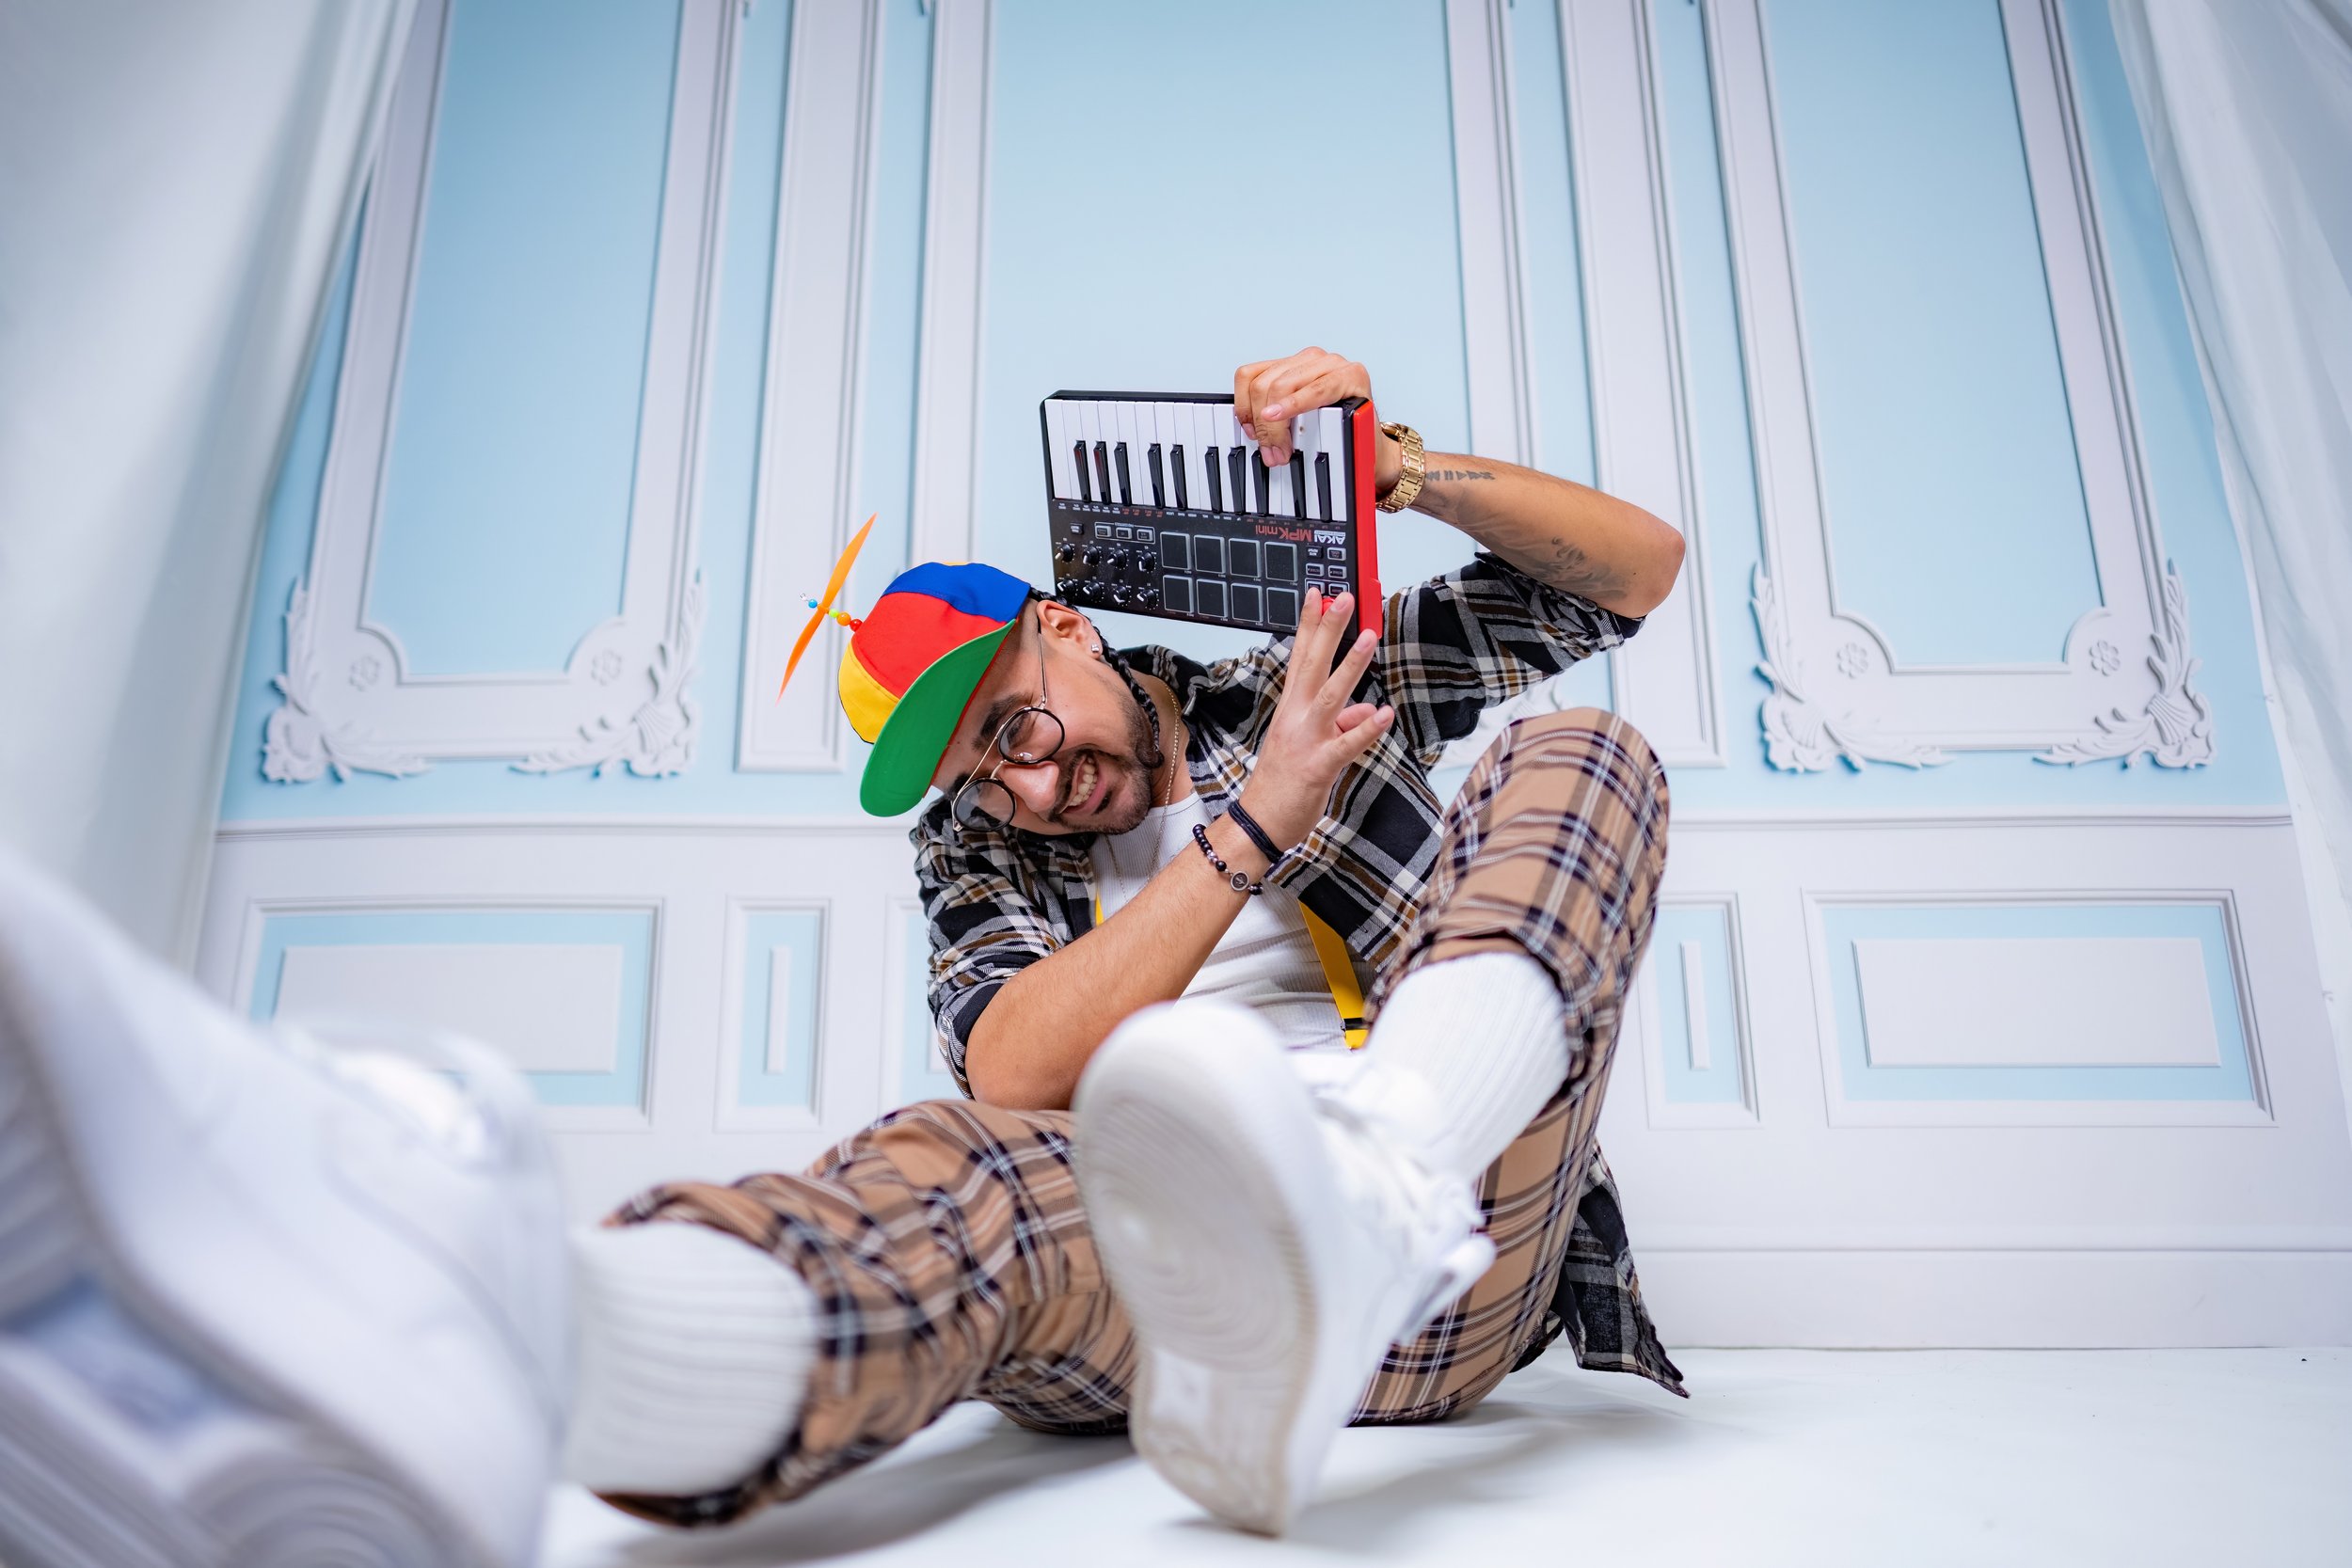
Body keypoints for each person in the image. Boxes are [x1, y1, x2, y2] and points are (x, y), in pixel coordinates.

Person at [0, 348, 1685, 1567]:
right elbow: (1021, 1069)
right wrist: (1251, 843)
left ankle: (1372, 1176)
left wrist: (1395, 467)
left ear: (1071, 623)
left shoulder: (1305, 681)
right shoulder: (979, 842)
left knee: (1586, 759)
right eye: (988, 768)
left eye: (1022, 721)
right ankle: (520, 1340)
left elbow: (1634, 575)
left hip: (1457, 1257)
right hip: (1179, 1305)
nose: (1035, 780)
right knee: (970, 1167)